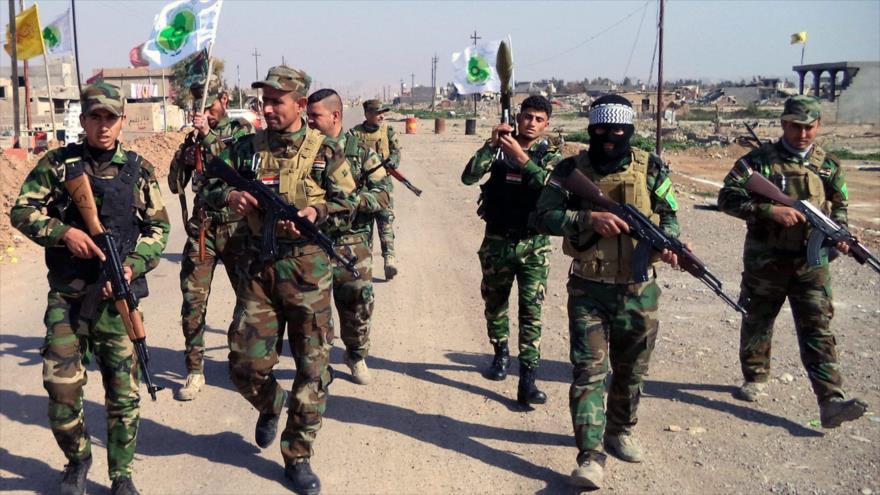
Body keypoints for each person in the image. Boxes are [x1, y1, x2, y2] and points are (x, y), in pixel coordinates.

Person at [10, 82, 170, 495]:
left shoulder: (138, 169)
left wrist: (134, 265)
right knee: (61, 389)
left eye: (110, 118)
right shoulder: (58, 165)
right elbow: (22, 210)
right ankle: (78, 458)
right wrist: (63, 233)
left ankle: (121, 476)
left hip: (115, 301)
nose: (103, 126)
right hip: (68, 295)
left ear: (121, 122)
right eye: (95, 117)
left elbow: (159, 228)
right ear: (83, 120)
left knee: (123, 394)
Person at [205, 66, 357, 495]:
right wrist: (229, 196)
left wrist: (315, 214)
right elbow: (206, 188)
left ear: (300, 105)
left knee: (313, 368)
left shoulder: (325, 152)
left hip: (308, 272)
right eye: (265, 101)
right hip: (258, 269)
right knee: (244, 364)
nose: (268, 108)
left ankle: (298, 456)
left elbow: (351, 202)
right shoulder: (244, 150)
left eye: (277, 101)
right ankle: (271, 403)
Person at [531, 95, 681, 488]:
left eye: (618, 131)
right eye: (600, 130)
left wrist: (670, 245)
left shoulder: (651, 167)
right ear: (591, 128)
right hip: (589, 288)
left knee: (632, 371)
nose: (609, 138)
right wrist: (587, 218)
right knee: (588, 373)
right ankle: (590, 455)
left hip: (639, 289)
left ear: (629, 130)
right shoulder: (570, 170)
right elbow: (541, 216)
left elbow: (670, 216)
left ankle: (619, 430)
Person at [717, 95, 867, 427]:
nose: (802, 134)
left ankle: (831, 399)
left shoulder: (828, 166)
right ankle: (755, 376)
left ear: (818, 127)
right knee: (758, 319)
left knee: (817, 328)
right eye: (795, 127)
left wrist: (839, 235)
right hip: (766, 261)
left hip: (810, 265)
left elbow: (840, 209)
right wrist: (770, 210)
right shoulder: (758, 161)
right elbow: (726, 198)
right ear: (784, 124)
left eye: (808, 128)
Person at [461, 95, 562, 406]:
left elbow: (553, 189)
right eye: (527, 117)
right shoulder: (499, 148)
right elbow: (468, 177)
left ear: (547, 124)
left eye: (538, 119)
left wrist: (523, 159)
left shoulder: (551, 155)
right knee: (495, 303)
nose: (531, 124)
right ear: (518, 117)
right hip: (497, 243)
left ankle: (528, 378)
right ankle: (500, 352)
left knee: (531, 312)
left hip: (534, 245)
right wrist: (492, 145)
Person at [168, 81, 254, 401]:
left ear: (224, 99)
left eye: (208, 104)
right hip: (202, 231)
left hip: (236, 232)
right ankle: (194, 369)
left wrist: (207, 137)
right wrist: (184, 153)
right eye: (197, 105)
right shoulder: (197, 137)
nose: (203, 111)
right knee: (192, 304)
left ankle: (236, 359)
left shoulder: (241, 131)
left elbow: (235, 170)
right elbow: (176, 185)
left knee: (248, 301)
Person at [307, 89, 392, 385]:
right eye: (308, 116)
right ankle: (319, 362)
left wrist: (351, 203)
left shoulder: (360, 151)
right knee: (313, 312)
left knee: (358, 304)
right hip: (312, 243)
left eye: (315, 116)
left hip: (352, 243)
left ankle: (356, 355)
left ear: (335, 116)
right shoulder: (305, 152)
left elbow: (383, 195)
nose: (310, 122)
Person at [349, 99, 402, 279]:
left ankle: (389, 260)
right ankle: (366, 263)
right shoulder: (354, 133)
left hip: (383, 186)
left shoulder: (387, 130)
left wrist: (392, 162)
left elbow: (396, 151)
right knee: (364, 227)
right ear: (367, 114)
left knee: (385, 221)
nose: (381, 116)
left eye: (383, 113)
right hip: (363, 189)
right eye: (377, 112)